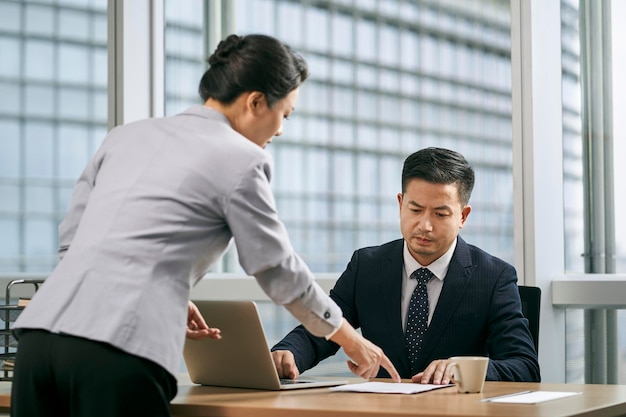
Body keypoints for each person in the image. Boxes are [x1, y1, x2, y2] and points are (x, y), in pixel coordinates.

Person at [10, 34, 399, 417]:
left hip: (39, 340)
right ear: (256, 102)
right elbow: (276, 268)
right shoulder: (242, 158)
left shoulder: (125, 136)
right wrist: (348, 338)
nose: (280, 130)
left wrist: (167, 294)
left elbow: (73, 243)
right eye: (285, 114)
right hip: (117, 350)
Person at [271, 147, 541, 384]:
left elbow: (525, 366)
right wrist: (288, 353)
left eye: (440, 214)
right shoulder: (366, 266)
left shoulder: (493, 277)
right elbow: (323, 328)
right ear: (400, 205)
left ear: (463, 216)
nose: (424, 225)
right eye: (415, 210)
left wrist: (464, 368)